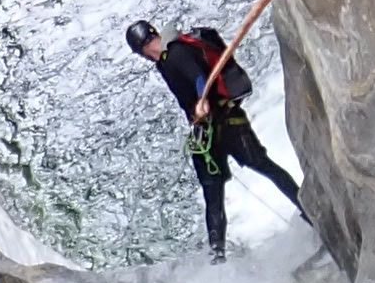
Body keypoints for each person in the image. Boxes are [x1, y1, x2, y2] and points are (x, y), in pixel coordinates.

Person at [127, 17, 305, 256]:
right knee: (216, 188)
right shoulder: (165, 61)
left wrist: (202, 101)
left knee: (256, 169)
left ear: (141, 49)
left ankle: (306, 209)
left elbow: (199, 77)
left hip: (224, 122)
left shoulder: (176, 53)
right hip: (210, 129)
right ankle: (217, 252)